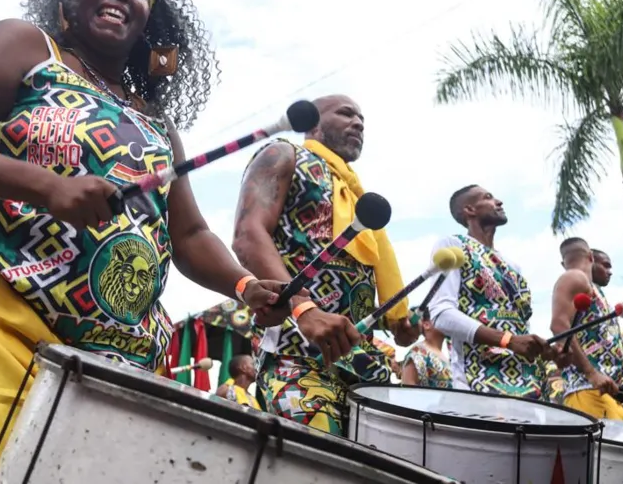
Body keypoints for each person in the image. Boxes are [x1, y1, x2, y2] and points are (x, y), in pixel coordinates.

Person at [0, 0, 301, 483]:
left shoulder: (156, 122)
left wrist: (243, 286)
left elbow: (189, 236)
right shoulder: (22, 47)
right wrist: (46, 187)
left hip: (108, 371)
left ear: (151, 20)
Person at [232, 94, 419, 435]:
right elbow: (248, 235)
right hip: (298, 356)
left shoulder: (360, 197)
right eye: (346, 113)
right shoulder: (284, 154)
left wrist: (397, 319)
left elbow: (346, 283)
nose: (359, 123)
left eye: (362, 118)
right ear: (313, 123)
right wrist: (304, 309)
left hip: (366, 372)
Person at [427, 185, 552, 399]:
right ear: (469, 210)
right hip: (476, 384)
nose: (499, 201)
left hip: (529, 384)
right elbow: (441, 313)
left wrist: (545, 350)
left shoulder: (513, 267)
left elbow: (520, 326)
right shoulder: (454, 246)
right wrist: (508, 340)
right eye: (488, 197)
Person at [551, 238, 623, 420]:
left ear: (563, 263)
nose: (610, 272)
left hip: (608, 394)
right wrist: (591, 373)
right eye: (606, 266)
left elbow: (606, 347)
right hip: (589, 391)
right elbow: (559, 326)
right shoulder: (574, 277)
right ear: (591, 257)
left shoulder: (593, 290)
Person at [401, 309, 453, 388]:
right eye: (441, 318)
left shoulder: (447, 355)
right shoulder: (418, 352)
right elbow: (408, 393)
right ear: (426, 325)